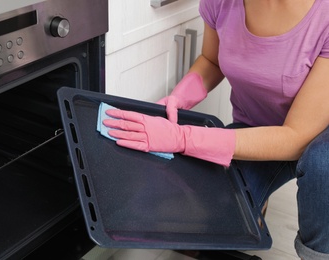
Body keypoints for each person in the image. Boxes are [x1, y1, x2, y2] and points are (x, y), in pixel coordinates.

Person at [103, 0, 329, 259]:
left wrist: (182, 138)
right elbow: (211, 60)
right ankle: (254, 202)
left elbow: (296, 137)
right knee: (211, 214)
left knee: (322, 165)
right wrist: (180, 97)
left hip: (316, 137)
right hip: (253, 129)